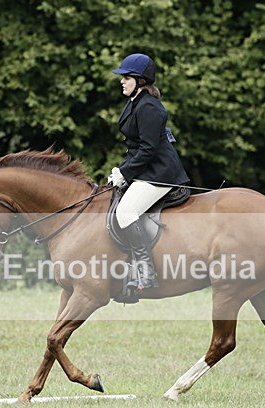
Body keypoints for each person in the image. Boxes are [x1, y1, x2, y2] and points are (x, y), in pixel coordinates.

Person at [108, 53, 190, 291]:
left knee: (126, 211)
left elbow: (148, 149)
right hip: (146, 169)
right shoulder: (135, 102)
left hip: (160, 173)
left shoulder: (149, 107)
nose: (122, 81)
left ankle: (146, 270)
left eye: (127, 77)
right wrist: (120, 170)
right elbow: (135, 146)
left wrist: (125, 172)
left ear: (141, 81)